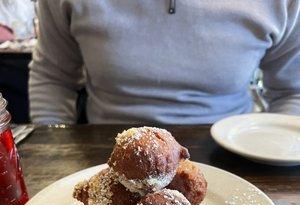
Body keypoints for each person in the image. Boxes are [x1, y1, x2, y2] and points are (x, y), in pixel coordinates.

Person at [29, 0, 300, 125]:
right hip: (102, 153)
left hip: (233, 156)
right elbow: (53, 77)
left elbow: (293, 92)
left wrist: (271, 152)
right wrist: (54, 142)